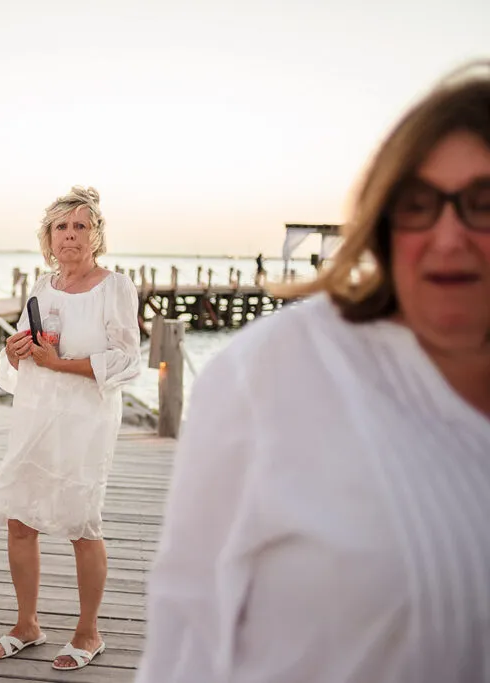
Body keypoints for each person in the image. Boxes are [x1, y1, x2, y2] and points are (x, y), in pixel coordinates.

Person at [136, 61, 490, 682]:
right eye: (417, 205)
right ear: (381, 223)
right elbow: (185, 634)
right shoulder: (275, 374)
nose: (448, 235)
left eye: (483, 204)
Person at [0, 187, 141, 671]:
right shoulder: (41, 288)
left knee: (82, 524)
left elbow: (127, 360)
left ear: (96, 235)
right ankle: (27, 624)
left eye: (80, 226)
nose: (70, 235)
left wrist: (60, 363)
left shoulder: (115, 287)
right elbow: (28, 358)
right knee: (19, 519)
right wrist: (15, 353)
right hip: (35, 415)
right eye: (61, 227)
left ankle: (88, 632)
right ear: (48, 237)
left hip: (86, 421)